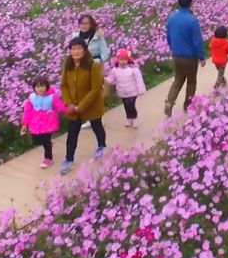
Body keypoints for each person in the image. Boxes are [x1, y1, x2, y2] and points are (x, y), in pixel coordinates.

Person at [59, 38, 106, 174]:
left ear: (84, 50)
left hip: (91, 104)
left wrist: (82, 106)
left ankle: (102, 146)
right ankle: (69, 159)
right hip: (73, 107)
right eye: (73, 48)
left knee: (96, 125)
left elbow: (95, 89)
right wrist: (69, 103)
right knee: (72, 134)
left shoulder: (93, 65)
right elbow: (64, 86)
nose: (76, 51)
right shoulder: (68, 65)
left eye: (79, 48)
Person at [164, 0, 206, 117]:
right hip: (190, 56)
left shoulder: (172, 17)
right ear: (190, 3)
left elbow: (168, 36)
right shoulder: (192, 20)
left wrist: (173, 48)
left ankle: (169, 102)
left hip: (176, 54)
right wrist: (202, 56)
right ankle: (188, 106)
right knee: (191, 81)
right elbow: (197, 41)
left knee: (178, 79)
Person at [20, 76, 67, 168]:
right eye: (37, 87)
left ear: (47, 86)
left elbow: (60, 106)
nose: (40, 89)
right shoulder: (32, 97)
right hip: (35, 122)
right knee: (36, 140)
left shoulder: (52, 97)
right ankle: (49, 143)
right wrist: (25, 123)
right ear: (34, 88)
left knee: (45, 141)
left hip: (48, 122)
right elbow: (27, 111)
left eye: (42, 86)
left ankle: (48, 158)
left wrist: (68, 110)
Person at [104, 49, 146, 128]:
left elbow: (139, 80)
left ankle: (134, 119)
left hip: (132, 92)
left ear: (128, 60)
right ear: (118, 60)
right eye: (121, 59)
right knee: (126, 106)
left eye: (125, 59)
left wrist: (141, 90)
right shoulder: (115, 70)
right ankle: (129, 119)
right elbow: (111, 79)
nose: (123, 61)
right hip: (122, 92)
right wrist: (104, 80)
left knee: (131, 105)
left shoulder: (133, 69)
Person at [209, 26, 228, 90]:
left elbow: (210, 47)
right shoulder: (226, 42)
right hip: (222, 61)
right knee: (220, 73)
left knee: (220, 72)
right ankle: (217, 84)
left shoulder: (212, 40)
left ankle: (224, 81)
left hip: (215, 60)